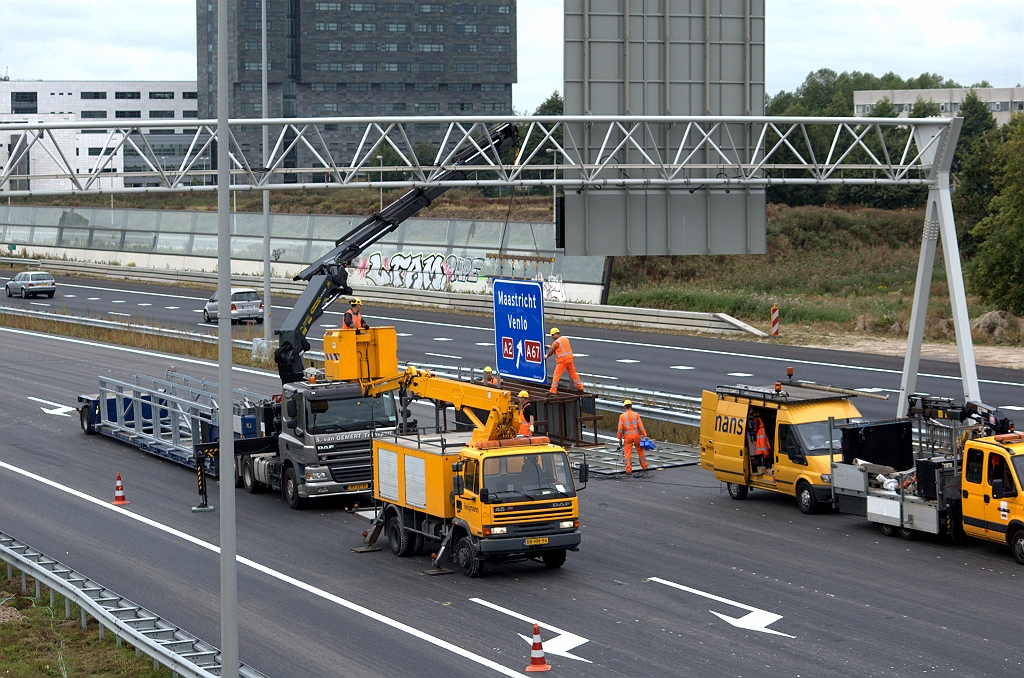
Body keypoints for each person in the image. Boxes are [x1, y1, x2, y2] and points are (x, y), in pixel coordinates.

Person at [545, 327, 584, 394]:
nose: (552, 337)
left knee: (556, 375)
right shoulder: (565, 339)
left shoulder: (556, 342)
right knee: (574, 374)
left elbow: (552, 351)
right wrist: (550, 347)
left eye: (552, 335)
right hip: (570, 359)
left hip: (562, 361)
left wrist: (546, 356)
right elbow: (560, 347)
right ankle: (580, 388)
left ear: (556, 334)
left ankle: (553, 390)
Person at [618, 399, 648, 474]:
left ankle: (628, 470)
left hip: (628, 436)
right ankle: (644, 466)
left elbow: (620, 429)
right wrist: (645, 435)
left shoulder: (622, 416)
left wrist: (619, 438)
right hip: (637, 436)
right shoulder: (636, 414)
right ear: (631, 406)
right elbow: (641, 426)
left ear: (624, 407)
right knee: (640, 452)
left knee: (628, 453)